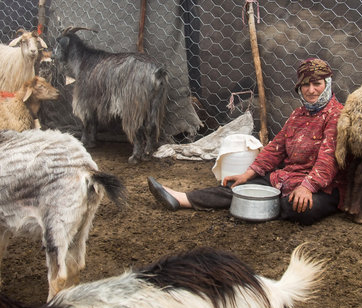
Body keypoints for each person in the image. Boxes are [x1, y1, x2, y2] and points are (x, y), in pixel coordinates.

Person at [148, 57, 345, 226]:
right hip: (288, 178)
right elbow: (275, 149)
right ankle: (183, 199)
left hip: (322, 188)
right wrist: (248, 173)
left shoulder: (336, 115)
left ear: (327, 84)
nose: (311, 90)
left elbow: (329, 160)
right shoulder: (298, 114)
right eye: (305, 84)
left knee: (297, 208)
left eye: (317, 84)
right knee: (240, 187)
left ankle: (260, 204)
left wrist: (307, 187)